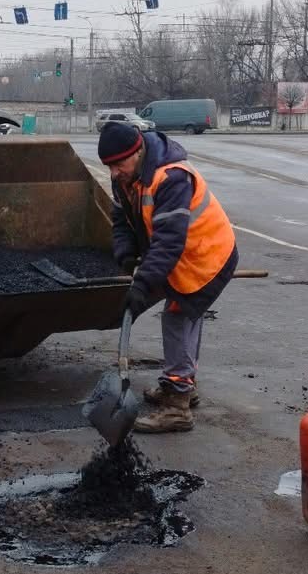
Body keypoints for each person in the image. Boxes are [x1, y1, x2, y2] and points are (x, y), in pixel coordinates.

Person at [97, 119, 238, 433]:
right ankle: (182, 383)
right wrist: (127, 255)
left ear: (137, 152)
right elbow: (121, 219)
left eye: (118, 164)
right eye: (108, 166)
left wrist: (143, 284)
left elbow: (169, 241)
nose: (113, 172)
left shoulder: (172, 177)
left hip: (207, 255)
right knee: (187, 316)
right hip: (182, 254)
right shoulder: (124, 176)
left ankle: (177, 406)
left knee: (177, 316)